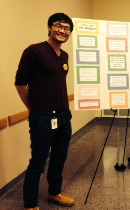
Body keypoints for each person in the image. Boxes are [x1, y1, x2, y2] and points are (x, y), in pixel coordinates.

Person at [15, 13, 75, 210]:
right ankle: (30, 204)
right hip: (42, 117)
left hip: (63, 116)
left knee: (59, 158)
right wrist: (34, 108)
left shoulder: (64, 56)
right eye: (59, 26)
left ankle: (54, 193)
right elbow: (21, 84)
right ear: (50, 27)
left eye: (67, 28)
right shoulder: (34, 51)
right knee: (38, 162)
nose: (62, 31)